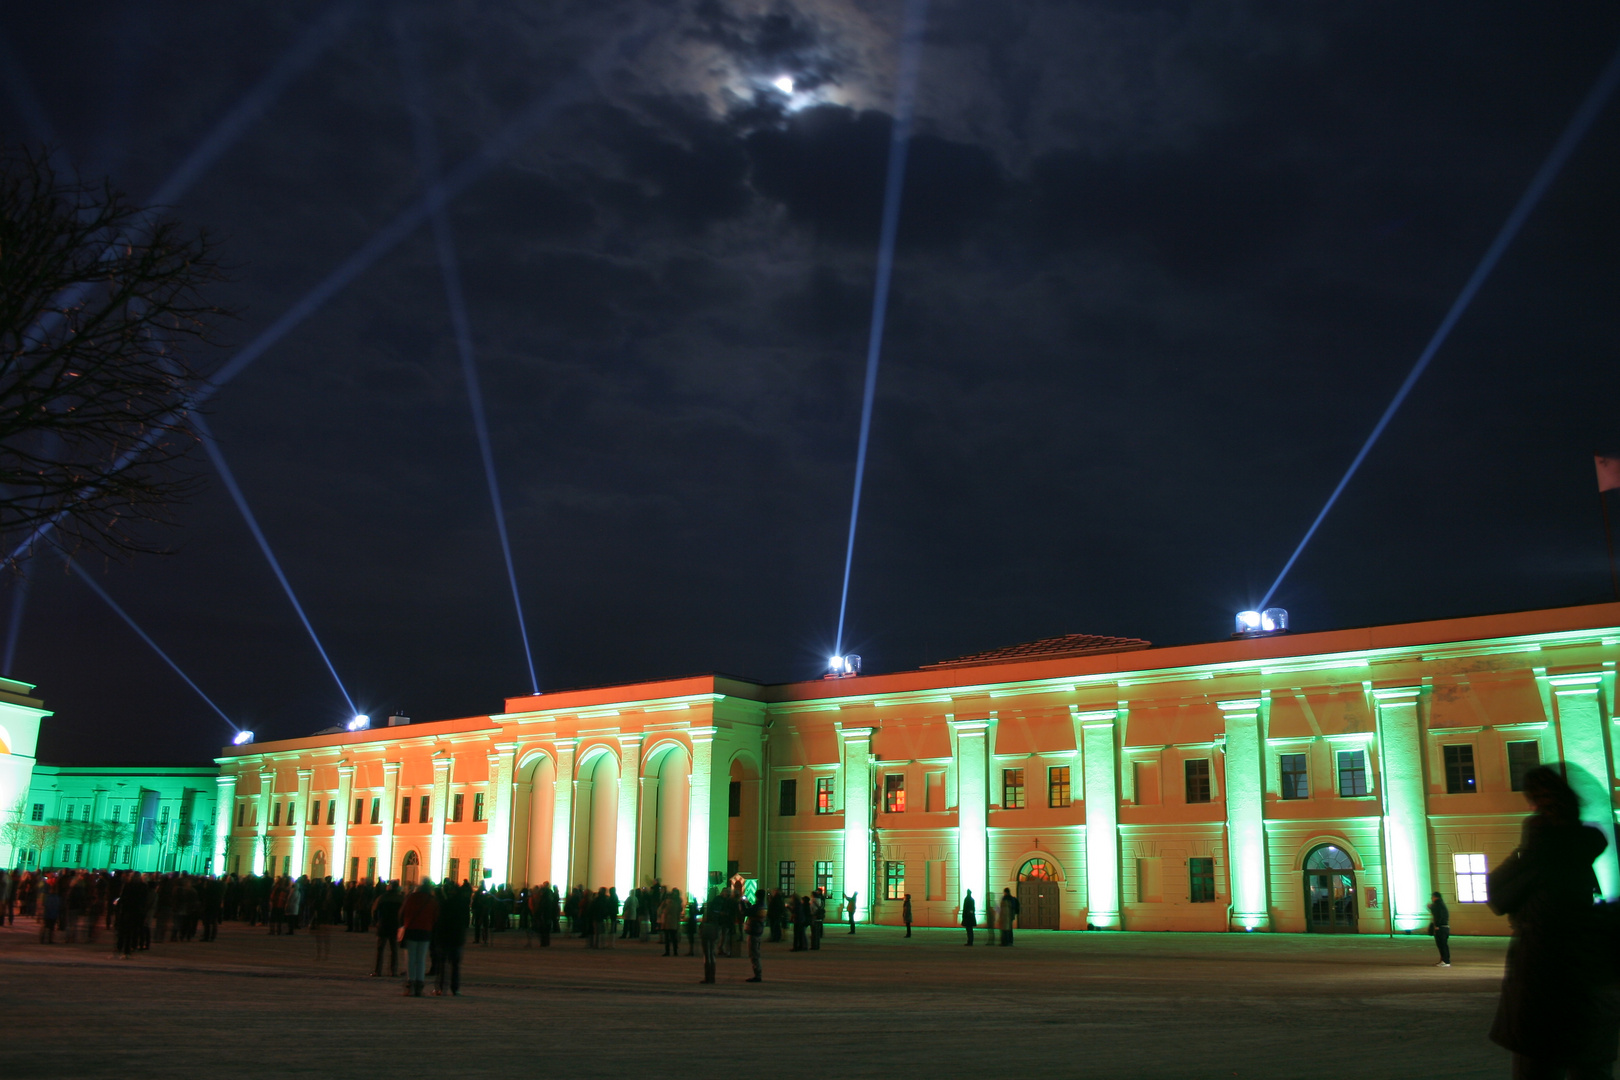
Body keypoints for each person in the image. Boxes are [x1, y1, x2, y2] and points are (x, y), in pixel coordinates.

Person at [1489, 764, 1618, 1077]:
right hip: (1590, 989)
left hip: (1542, 985)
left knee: (1538, 1068)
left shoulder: (1541, 854)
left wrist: (1527, 846)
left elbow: (1499, 895)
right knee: (1590, 1067)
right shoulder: (1589, 846)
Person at [398, 880, 438, 997]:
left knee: (410, 959)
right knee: (421, 960)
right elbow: (436, 917)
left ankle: (410, 985)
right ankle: (419, 987)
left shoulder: (410, 898)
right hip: (425, 932)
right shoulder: (432, 901)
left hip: (411, 931)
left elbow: (401, 913)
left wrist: (402, 925)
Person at [371, 881, 403, 978]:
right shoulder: (400, 899)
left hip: (383, 925)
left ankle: (378, 971)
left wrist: (376, 921)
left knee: (380, 949)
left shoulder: (382, 898)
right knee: (394, 950)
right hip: (395, 926)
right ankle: (393, 971)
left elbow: (374, 911)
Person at [698, 895, 721, 984]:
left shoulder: (708, 907)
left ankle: (708, 977)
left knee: (707, 954)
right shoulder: (718, 908)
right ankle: (712, 977)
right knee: (712, 953)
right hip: (715, 930)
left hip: (707, 930)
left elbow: (704, 917)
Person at [1427, 891, 1451, 967]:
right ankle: (1444, 960)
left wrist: (1437, 925)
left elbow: (1438, 915)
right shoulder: (1441, 904)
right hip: (1444, 927)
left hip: (1441, 928)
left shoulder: (1438, 904)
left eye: (1432, 897)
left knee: (1442, 945)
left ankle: (1445, 961)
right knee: (1443, 945)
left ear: (1435, 897)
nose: (1431, 898)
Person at [745, 895, 764, 983]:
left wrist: (742, 903)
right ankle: (757, 974)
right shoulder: (763, 905)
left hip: (754, 931)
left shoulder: (758, 906)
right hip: (758, 931)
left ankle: (757, 975)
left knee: (754, 954)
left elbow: (746, 912)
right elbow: (752, 911)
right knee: (755, 952)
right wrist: (748, 903)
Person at [660, 888, 684, 957]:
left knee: (667, 938)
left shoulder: (669, 905)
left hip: (668, 923)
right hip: (674, 922)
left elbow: (663, 911)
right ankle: (675, 951)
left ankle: (667, 951)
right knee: (674, 937)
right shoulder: (677, 903)